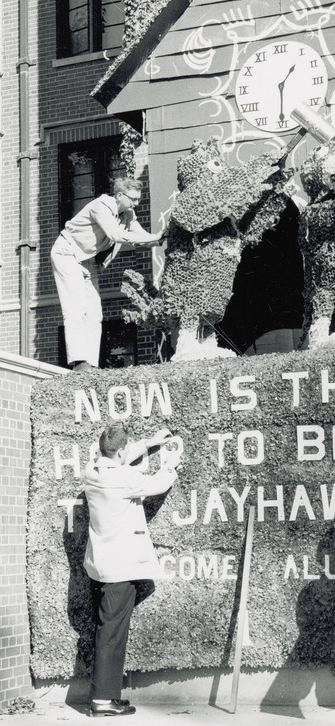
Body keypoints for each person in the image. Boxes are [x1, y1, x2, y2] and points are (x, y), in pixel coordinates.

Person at [83, 424, 181, 718]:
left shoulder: (91, 471)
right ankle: (102, 701)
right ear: (122, 451)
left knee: (108, 629)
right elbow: (160, 484)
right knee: (112, 633)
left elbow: (118, 455)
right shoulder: (126, 478)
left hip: (99, 566)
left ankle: (109, 696)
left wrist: (149, 443)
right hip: (120, 568)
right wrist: (170, 463)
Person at [50, 178, 167, 372]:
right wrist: (154, 238)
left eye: (139, 199)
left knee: (95, 313)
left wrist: (158, 238)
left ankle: (91, 364)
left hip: (86, 261)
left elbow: (139, 234)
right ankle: (79, 363)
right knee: (76, 308)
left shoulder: (127, 212)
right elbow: (115, 235)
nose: (136, 204)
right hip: (67, 254)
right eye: (133, 199)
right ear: (120, 195)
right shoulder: (101, 206)